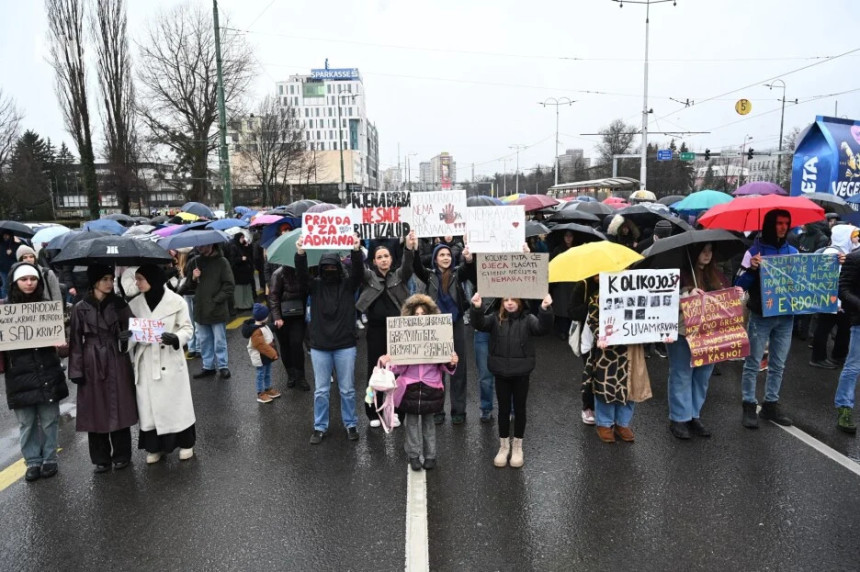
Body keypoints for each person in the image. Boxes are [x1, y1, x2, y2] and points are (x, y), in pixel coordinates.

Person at [2, 262, 69, 482]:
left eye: (33, 279)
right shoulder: (5, 309)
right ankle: (32, 461)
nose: (29, 283)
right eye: (24, 279)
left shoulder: (47, 306)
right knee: (26, 422)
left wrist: (62, 345)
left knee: (50, 419)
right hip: (19, 375)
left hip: (47, 370)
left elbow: (62, 348)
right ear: (14, 282)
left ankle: (49, 458)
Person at [470, 291, 553, 468]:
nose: (509, 303)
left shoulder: (529, 319)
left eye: (513, 300)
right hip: (501, 372)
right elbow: (479, 323)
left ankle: (517, 447)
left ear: (520, 301)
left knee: (520, 409)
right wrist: (477, 308)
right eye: (506, 300)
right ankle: (503, 446)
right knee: (503, 409)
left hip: (521, 373)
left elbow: (542, 329)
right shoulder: (494, 319)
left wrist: (545, 310)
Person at [68, 264, 138, 473]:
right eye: (105, 279)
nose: (109, 283)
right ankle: (100, 458)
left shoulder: (119, 303)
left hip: (116, 356)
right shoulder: (80, 307)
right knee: (95, 409)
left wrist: (126, 336)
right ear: (95, 281)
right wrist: (76, 371)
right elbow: (75, 341)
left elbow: (135, 327)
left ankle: (122, 454)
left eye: (111, 278)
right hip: (91, 360)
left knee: (120, 405)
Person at [295, 234, 363, 445]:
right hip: (320, 347)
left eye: (333, 266)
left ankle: (350, 424)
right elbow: (301, 276)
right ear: (321, 268)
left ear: (338, 267)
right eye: (326, 267)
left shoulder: (348, 286)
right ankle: (319, 426)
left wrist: (356, 251)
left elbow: (359, 273)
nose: (329, 270)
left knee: (347, 390)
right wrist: (300, 253)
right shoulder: (314, 286)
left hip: (345, 345)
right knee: (321, 391)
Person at [735, 209, 799, 428]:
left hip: (786, 317)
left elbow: (804, 282)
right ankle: (749, 405)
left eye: (786, 223)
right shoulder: (754, 250)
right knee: (753, 362)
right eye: (779, 223)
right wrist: (752, 269)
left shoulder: (793, 251)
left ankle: (771, 404)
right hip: (761, 315)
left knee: (778, 364)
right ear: (770, 225)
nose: (783, 227)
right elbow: (739, 285)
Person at [128, 264, 197, 464]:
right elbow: (133, 334)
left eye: (141, 278)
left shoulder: (176, 301)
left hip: (169, 360)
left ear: (154, 279)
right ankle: (154, 446)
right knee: (149, 408)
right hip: (146, 361)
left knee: (176, 405)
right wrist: (128, 337)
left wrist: (175, 338)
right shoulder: (134, 304)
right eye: (137, 278)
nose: (137, 283)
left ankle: (186, 443)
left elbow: (187, 328)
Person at [380, 294, 457, 471]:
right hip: (410, 388)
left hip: (431, 387)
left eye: (423, 314)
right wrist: (391, 360)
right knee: (412, 424)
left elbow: (444, 365)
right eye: (416, 315)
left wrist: (451, 362)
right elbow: (396, 370)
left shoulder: (438, 338)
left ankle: (431, 456)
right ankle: (413, 455)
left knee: (429, 425)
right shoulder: (404, 338)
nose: (420, 318)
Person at [666, 243, 732, 440]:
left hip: (710, 333)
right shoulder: (678, 275)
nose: (707, 255)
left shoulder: (717, 276)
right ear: (694, 253)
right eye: (703, 251)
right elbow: (663, 300)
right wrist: (686, 295)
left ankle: (693, 415)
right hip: (682, 332)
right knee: (682, 373)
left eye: (710, 250)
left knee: (702, 375)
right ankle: (679, 418)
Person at [356, 230, 416, 427]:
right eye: (379, 257)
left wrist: (408, 247)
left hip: (398, 331)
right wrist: (355, 250)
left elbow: (408, 266)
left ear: (391, 259)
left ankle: (396, 411)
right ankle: (373, 412)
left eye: (386, 256)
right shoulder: (369, 277)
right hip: (375, 331)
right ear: (374, 261)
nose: (383, 260)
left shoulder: (399, 275)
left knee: (397, 372)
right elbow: (357, 270)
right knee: (376, 369)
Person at [412, 240, 475, 425]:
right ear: (435, 259)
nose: (446, 258)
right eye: (441, 255)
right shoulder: (429, 275)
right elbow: (416, 267)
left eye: (448, 255)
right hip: (436, 327)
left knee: (458, 368)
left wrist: (469, 259)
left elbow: (469, 270)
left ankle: (459, 410)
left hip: (455, 324)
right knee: (437, 370)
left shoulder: (457, 273)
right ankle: (437, 409)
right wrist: (414, 249)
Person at [810, 225, 856, 369]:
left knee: (837, 327)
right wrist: (837, 302)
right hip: (833, 300)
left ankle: (836, 356)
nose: (855, 239)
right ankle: (820, 358)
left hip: (836, 300)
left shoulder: (841, 252)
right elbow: (829, 280)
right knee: (825, 328)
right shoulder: (832, 253)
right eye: (852, 235)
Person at [190, 243, 235, 380]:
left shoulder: (222, 262)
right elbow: (189, 286)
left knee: (219, 340)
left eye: (203, 246)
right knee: (204, 340)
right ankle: (208, 366)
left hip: (216, 308)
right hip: (201, 307)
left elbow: (229, 285)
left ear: (211, 245)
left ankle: (223, 366)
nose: (200, 248)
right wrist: (193, 277)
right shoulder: (195, 262)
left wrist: (216, 300)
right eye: (198, 246)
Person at [268, 262, 309, 390]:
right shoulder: (278, 274)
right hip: (282, 317)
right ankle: (291, 375)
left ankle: (301, 376)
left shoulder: (304, 271)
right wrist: (277, 317)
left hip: (298, 315)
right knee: (285, 346)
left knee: (297, 344)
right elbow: (273, 297)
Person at [245, 303, 281, 404]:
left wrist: (275, 325)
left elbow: (268, 328)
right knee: (261, 374)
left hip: (265, 356)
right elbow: (261, 345)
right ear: (263, 317)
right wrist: (273, 353)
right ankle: (260, 393)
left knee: (267, 372)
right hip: (261, 357)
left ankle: (267, 389)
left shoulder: (262, 325)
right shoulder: (256, 330)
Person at [228, 232, 255, 311]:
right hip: (239, 273)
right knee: (240, 290)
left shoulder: (243, 246)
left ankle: (247, 304)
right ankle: (240, 305)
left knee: (246, 289)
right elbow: (232, 260)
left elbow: (249, 255)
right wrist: (240, 259)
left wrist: (247, 247)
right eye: (241, 238)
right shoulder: (234, 247)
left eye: (243, 237)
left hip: (245, 272)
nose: (243, 239)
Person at [0, 231, 17, 298]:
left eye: (7, 235)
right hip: (3, 269)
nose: (5, 237)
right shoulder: (1, 244)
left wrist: (12, 253)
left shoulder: (15, 245)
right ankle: (4, 301)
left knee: (13, 285)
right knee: (5, 285)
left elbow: (18, 256)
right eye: (4, 235)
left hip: (13, 268)